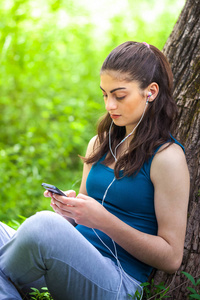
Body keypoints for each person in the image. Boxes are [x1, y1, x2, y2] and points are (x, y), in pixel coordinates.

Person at [0, 41, 190, 300]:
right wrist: (69, 211)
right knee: (41, 226)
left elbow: (171, 258)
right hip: (71, 262)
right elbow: (83, 216)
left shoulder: (168, 158)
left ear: (151, 92)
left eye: (119, 96)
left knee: (43, 227)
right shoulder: (100, 143)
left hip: (116, 279)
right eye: (105, 94)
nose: (109, 105)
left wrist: (102, 220)